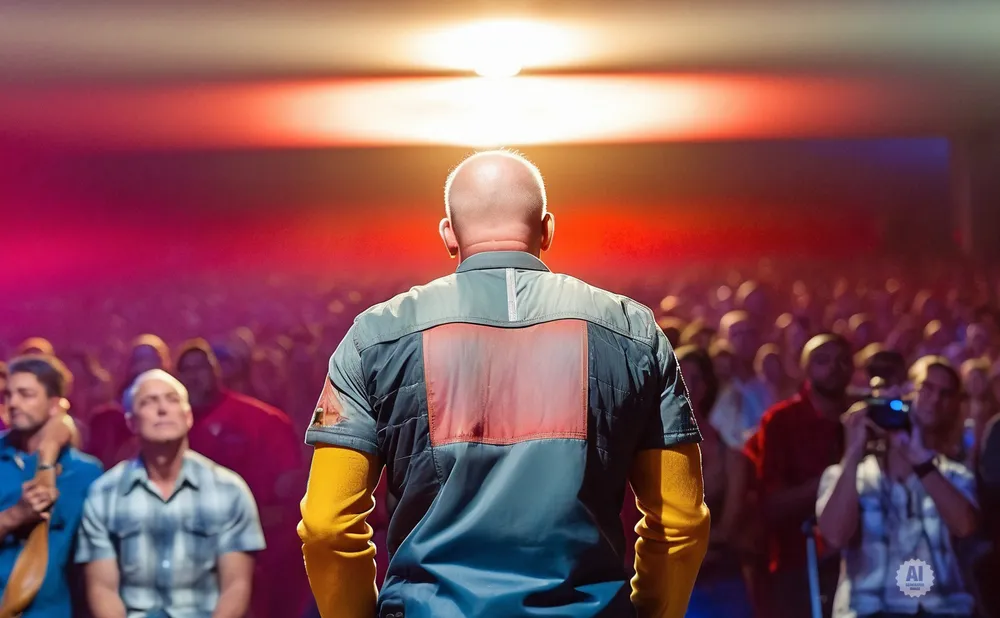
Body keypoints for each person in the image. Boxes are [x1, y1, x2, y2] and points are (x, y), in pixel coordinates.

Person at [298, 150, 709, 618]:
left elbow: (327, 525)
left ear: (448, 234)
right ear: (548, 229)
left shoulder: (375, 336)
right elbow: (680, 522)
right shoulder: (633, 332)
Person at [76, 369, 265, 618]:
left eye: (172, 399)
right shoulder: (105, 494)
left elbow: (236, 586)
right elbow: (102, 589)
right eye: (148, 402)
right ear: (131, 422)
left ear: (188, 416)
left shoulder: (229, 489)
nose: (162, 409)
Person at [817, 356, 979, 618]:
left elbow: (965, 526)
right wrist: (853, 450)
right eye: (926, 388)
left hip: (941, 610)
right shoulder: (846, 476)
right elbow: (834, 536)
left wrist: (920, 460)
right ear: (907, 393)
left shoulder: (954, 475)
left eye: (945, 393)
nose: (934, 400)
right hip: (870, 611)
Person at [175, 340, 307, 618]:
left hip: (263, 552)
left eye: (202, 367)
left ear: (217, 372)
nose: (194, 376)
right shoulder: (168, 431)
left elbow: (290, 492)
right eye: (186, 369)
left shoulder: (263, 420)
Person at [745, 334, 854, 618]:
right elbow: (770, 504)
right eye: (822, 360)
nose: (834, 368)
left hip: (860, 557)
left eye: (843, 360)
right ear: (805, 368)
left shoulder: (861, 417)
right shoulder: (781, 421)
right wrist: (833, 481)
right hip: (799, 562)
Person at [0, 356, 103, 618]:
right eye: (8, 395)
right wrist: (14, 517)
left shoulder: (86, 473)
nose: (13, 403)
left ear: (55, 405)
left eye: (26, 395)